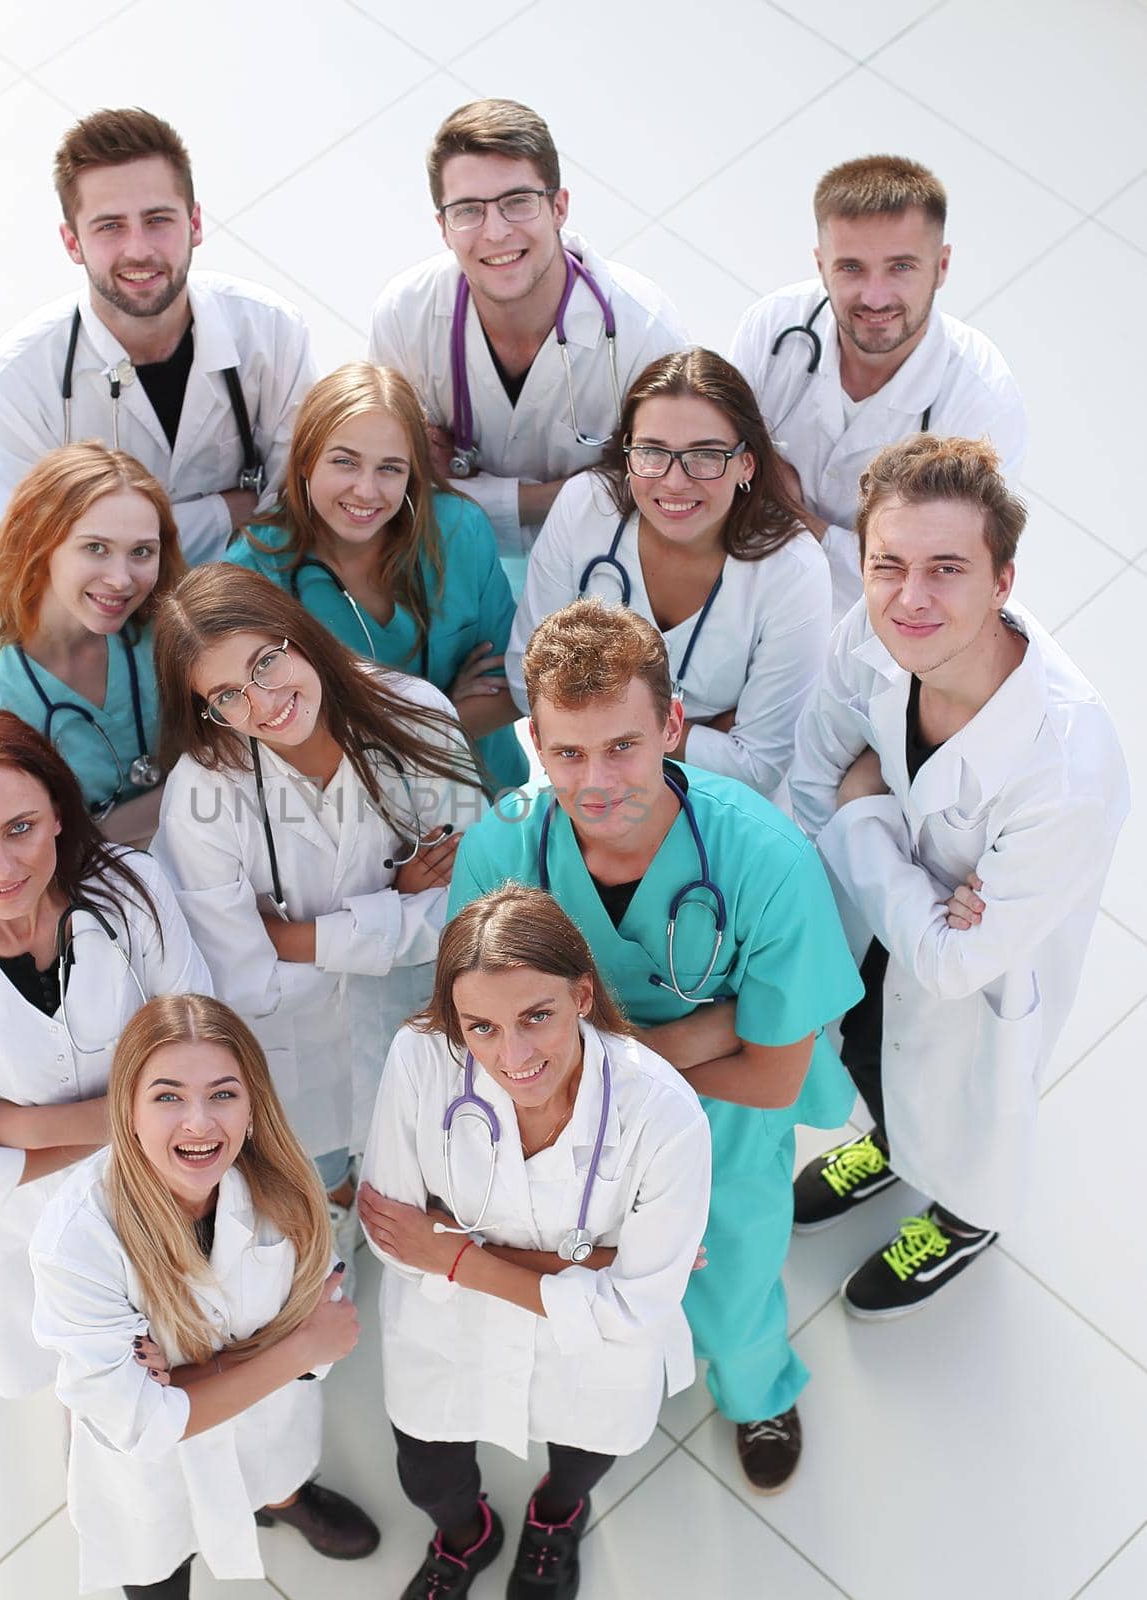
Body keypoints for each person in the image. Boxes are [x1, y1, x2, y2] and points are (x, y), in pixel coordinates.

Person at [448, 599, 863, 1493]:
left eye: (623, 746)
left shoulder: (765, 862)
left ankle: (758, 1392)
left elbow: (771, 1073)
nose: (597, 782)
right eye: (567, 752)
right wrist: (709, 1023)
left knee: (734, 1276)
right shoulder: (505, 848)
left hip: (723, 1126)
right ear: (536, 741)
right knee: (585, 1283)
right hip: (561, 1128)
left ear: (672, 725)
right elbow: (479, 1028)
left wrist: (604, 1045)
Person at [788, 436, 1128, 1318]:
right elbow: (815, 774)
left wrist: (868, 818)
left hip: (978, 997)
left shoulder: (1066, 760)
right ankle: (894, 1148)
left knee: (971, 1114)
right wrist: (914, 894)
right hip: (874, 936)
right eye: (888, 565)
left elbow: (951, 965)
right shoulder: (868, 631)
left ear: (1003, 581)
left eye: (947, 569)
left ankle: (966, 1218)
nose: (911, 598)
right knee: (870, 1053)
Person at [359, 886, 710, 1600]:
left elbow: (634, 1313)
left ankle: (555, 1521)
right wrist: (589, 1268)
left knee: (584, 1457)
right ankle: (468, 1537)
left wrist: (455, 1254)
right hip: (446, 1328)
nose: (511, 1055)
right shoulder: (421, 1059)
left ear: (583, 996)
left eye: (536, 1017)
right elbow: (393, 1236)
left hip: (583, 1352)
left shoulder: (665, 1114)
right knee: (428, 1476)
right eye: (480, 1027)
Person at [0, 711, 210, 1396]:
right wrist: (136, 1120)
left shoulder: (130, 890)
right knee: (80, 1396)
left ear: (58, 810)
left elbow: (202, 1065)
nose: (0, 869)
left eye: (19, 828)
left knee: (195, 1373)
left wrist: (14, 1124)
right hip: (24, 1237)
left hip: (165, 1202)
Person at [152, 564, 487, 1262]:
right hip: (292, 1050)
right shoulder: (201, 794)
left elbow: (472, 910)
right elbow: (244, 983)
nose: (265, 701)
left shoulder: (415, 715)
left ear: (296, 633)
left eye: (266, 662)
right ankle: (333, 1202)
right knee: (320, 1156)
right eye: (228, 696)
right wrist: (395, 904)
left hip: (413, 1020)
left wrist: (300, 937)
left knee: (417, 1155)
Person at [31, 993, 380, 1596]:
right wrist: (290, 1349)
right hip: (150, 1482)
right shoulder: (77, 1241)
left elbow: (325, 1334)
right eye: (167, 1096)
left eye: (223, 1093)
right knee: (159, 1572)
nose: (199, 1122)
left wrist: (192, 1381)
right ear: (129, 1111)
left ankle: (283, 1497)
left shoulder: (287, 1190)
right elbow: (139, 1423)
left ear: (252, 1107)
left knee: (271, 1468)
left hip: (268, 1425)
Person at [0, 106, 316, 566]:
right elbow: (46, 558)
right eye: (110, 226)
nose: (138, 249)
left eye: (157, 219)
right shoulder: (14, 385)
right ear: (72, 242)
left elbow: (299, 512)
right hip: (105, 630)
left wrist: (112, 538)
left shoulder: (272, 331)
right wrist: (226, 510)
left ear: (194, 224)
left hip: (256, 595)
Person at [370, 97, 687, 588]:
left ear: (558, 207)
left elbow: (665, 485)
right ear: (442, 227)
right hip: (445, 549)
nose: (495, 232)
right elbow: (392, 474)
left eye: (517, 201)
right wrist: (595, 480)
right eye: (468, 210)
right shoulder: (404, 313)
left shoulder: (645, 330)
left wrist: (487, 495)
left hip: (607, 554)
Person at [508, 348, 830, 796]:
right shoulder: (585, 508)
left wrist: (596, 724)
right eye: (652, 452)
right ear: (627, 455)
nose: (675, 481)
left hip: (718, 806)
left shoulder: (793, 568)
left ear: (747, 463)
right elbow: (524, 681)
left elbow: (759, 766)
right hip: (587, 792)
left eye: (705, 455)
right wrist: (686, 730)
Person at [729, 154, 1027, 621]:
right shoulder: (774, 325)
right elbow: (716, 454)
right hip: (744, 574)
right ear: (820, 263)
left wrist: (798, 519)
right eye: (851, 268)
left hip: (872, 626)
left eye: (901, 267)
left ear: (942, 265)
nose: (874, 297)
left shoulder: (979, 405)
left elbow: (944, 570)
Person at [226, 360, 526, 794]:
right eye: (345, 462)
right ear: (306, 460)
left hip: (484, 795)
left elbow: (511, 688)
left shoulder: (460, 531)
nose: (366, 491)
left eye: (390, 468)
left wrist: (386, 735)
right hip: (347, 812)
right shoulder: (252, 572)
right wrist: (445, 715)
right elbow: (270, 735)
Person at [0, 442, 182, 846]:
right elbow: (14, 852)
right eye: (95, 548)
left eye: (142, 552)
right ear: (40, 544)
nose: (122, 579)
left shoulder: (162, 625)